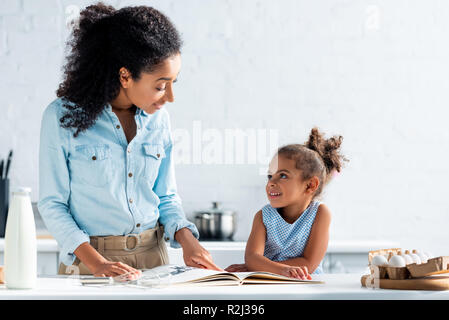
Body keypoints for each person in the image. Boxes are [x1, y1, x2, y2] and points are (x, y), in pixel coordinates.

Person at [38, 2, 221, 278]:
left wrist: (187, 239)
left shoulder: (159, 119)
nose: (170, 97)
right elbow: (53, 204)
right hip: (90, 263)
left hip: (153, 259)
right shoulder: (61, 117)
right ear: (125, 76)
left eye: (174, 82)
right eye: (160, 86)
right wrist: (97, 262)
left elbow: (166, 196)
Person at [225, 128, 347, 279]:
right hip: (269, 284)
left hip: (307, 285)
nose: (271, 183)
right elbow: (252, 258)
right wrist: (267, 268)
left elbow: (308, 264)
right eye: (270, 176)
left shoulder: (320, 214)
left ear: (310, 185)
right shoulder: (263, 216)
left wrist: (262, 268)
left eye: (282, 175)